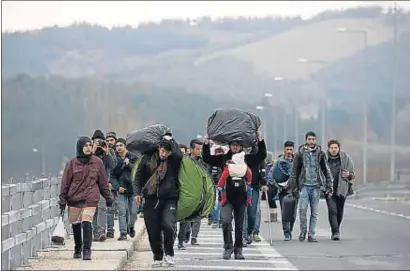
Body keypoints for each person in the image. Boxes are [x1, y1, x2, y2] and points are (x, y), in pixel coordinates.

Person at [202, 131, 267, 246]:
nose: (235, 147)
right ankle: (228, 247)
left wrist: (260, 141)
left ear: (241, 146)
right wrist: (206, 144)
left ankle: (243, 242)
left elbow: (261, 156)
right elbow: (207, 158)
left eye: (238, 145)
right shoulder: (223, 158)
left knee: (247, 218)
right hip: (227, 195)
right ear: (230, 146)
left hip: (242, 195)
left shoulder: (246, 158)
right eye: (233, 144)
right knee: (226, 221)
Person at [59, 137, 113, 260]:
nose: (89, 147)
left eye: (90, 145)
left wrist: (108, 197)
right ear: (80, 147)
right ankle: (78, 247)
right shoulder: (71, 164)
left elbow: (103, 183)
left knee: (86, 222)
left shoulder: (97, 162)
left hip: (90, 198)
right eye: (86, 145)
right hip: (74, 198)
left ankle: (87, 250)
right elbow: (65, 183)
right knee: (76, 225)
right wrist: (62, 199)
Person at [133, 136, 182, 267]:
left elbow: (179, 153)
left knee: (169, 226)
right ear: (158, 148)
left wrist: (170, 138)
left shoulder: (174, 161)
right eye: (162, 150)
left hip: (169, 198)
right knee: (153, 230)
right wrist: (137, 193)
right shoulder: (147, 158)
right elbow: (138, 177)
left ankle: (169, 253)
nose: (164, 153)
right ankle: (158, 256)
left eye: (167, 151)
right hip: (150, 198)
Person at [288, 132, 333, 242]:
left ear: (315, 140)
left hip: (316, 186)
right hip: (304, 186)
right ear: (306, 140)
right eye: (309, 139)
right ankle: (303, 231)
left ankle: (311, 234)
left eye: (313, 139)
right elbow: (294, 171)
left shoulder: (320, 153)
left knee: (314, 212)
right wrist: (293, 187)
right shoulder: (300, 153)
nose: (311, 141)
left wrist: (329, 185)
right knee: (302, 210)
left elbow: (326, 170)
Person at [217, 152, 252, 260]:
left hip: (241, 200)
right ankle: (228, 247)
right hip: (228, 199)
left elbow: (220, 183)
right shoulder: (229, 168)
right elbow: (249, 180)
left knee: (239, 226)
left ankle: (238, 249)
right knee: (226, 221)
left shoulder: (244, 168)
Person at [263, 141, 296, 241]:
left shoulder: (297, 161)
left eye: (291, 149)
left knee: (293, 213)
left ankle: (290, 229)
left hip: (295, 190)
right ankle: (287, 233)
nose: (289, 151)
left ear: (293, 150)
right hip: (283, 191)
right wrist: (278, 185)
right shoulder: (278, 162)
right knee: (285, 211)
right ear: (284, 150)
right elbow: (271, 175)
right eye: (287, 149)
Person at [326, 139, 355, 241]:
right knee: (332, 210)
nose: (333, 150)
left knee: (339, 210)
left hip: (342, 188)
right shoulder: (324, 159)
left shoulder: (346, 158)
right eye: (331, 148)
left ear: (339, 148)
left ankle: (336, 227)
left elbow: (352, 174)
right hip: (329, 189)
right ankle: (335, 232)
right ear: (328, 149)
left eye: (335, 148)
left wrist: (349, 175)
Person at [111, 138, 139, 240]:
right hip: (122, 189)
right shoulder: (115, 160)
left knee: (133, 212)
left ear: (125, 146)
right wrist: (117, 187)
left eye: (120, 145)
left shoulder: (134, 158)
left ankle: (130, 227)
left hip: (134, 189)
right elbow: (112, 176)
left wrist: (129, 164)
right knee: (122, 211)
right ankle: (123, 233)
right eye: (117, 146)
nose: (118, 148)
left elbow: (138, 172)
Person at [91, 129, 117, 242]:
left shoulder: (108, 151)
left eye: (100, 141)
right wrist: (93, 150)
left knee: (102, 207)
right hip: (90, 184)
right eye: (96, 141)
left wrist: (106, 152)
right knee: (93, 209)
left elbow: (113, 165)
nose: (99, 143)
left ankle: (101, 232)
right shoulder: (88, 151)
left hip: (102, 184)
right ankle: (95, 231)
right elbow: (85, 163)